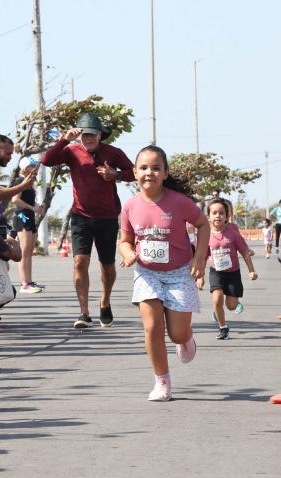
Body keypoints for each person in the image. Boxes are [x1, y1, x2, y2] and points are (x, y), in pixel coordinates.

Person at [119, 145, 210, 402]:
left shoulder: (179, 202)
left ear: (166, 173)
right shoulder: (130, 206)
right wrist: (127, 253)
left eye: (156, 168)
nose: (150, 173)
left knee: (177, 333)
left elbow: (202, 224)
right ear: (135, 173)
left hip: (179, 272)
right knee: (152, 328)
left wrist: (199, 258)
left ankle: (186, 339)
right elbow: (125, 240)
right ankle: (162, 381)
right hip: (147, 273)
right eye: (144, 168)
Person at [42, 112, 135, 328]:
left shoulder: (113, 152)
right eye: (84, 135)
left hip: (108, 217)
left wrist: (116, 175)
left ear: (100, 135)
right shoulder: (71, 151)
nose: (88, 139)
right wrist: (64, 138)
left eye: (92, 135)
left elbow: (134, 172)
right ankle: (83, 312)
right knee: (80, 261)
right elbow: (47, 160)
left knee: (107, 265)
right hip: (81, 216)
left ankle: (105, 301)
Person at [197, 198, 258, 340]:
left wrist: (251, 270)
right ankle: (223, 327)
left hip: (233, 273)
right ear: (209, 216)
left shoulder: (232, 232)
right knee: (217, 299)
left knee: (230, 306)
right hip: (216, 272)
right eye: (214, 213)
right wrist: (200, 277)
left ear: (226, 217)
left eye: (221, 213)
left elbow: (244, 252)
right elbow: (203, 257)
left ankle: (229, 306)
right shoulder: (205, 234)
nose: (217, 215)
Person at [12, 157, 44, 293]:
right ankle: (24, 284)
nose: (36, 168)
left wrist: (38, 207)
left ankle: (29, 282)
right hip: (22, 217)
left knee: (29, 252)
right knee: (24, 252)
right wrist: (32, 208)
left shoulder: (30, 183)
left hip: (30, 217)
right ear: (26, 167)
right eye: (33, 166)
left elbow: (31, 201)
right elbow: (15, 200)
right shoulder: (20, 181)